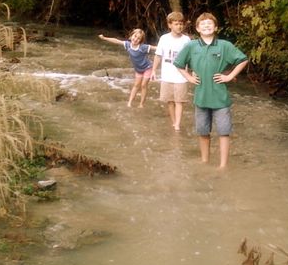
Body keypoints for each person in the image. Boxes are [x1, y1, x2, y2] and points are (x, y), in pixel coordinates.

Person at [173, 12, 248, 169]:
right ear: (197, 28)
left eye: (210, 24)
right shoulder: (191, 46)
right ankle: (204, 162)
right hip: (201, 98)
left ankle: (223, 166)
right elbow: (178, 63)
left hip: (221, 99)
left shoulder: (225, 46)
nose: (206, 26)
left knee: (224, 132)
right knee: (203, 132)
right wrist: (188, 77)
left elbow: (243, 60)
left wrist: (229, 76)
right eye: (203, 24)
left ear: (216, 27)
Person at [151, 11, 191, 132]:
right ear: (169, 25)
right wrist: (153, 71)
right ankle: (174, 122)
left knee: (179, 101)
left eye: (180, 24)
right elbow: (158, 56)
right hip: (167, 75)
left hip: (181, 76)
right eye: (176, 24)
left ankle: (177, 124)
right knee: (170, 101)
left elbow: (190, 57)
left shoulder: (186, 39)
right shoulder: (164, 38)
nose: (179, 26)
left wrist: (192, 72)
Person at [98, 29, 156, 108]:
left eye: (138, 38)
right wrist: (104, 38)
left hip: (147, 68)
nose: (135, 39)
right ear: (131, 36)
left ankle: (141, 104)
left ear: (140, 41)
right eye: (135, 36)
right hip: (138, 69)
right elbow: (116, 41)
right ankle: (129, 103)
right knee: (136, 85)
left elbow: (155, 48)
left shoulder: (143, 47)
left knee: (143, 85)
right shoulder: (128, 45)